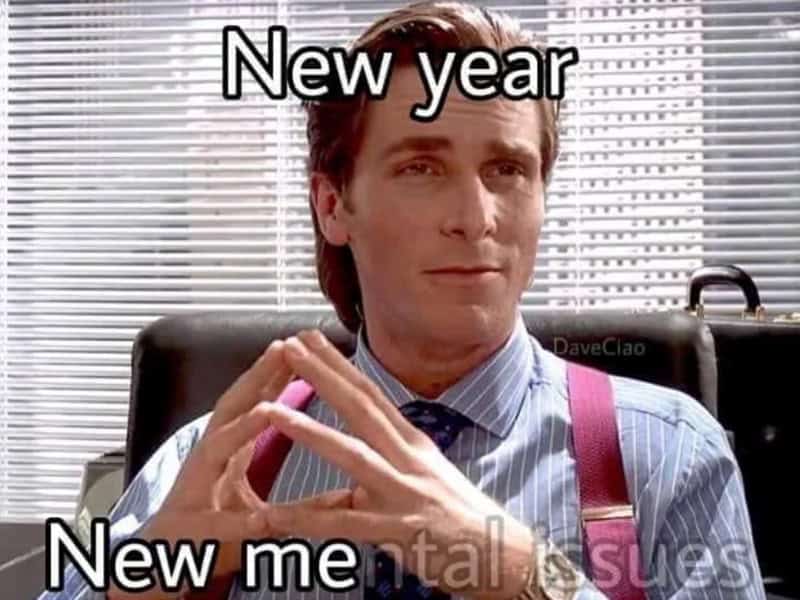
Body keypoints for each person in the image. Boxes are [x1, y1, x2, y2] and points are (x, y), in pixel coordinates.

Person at [40, 2, 765, 599]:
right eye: (421, 166)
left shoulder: (670, 455)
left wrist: (527, 579)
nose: (475, 218)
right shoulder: (213, 464)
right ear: (333, 205)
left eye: (507, 169)